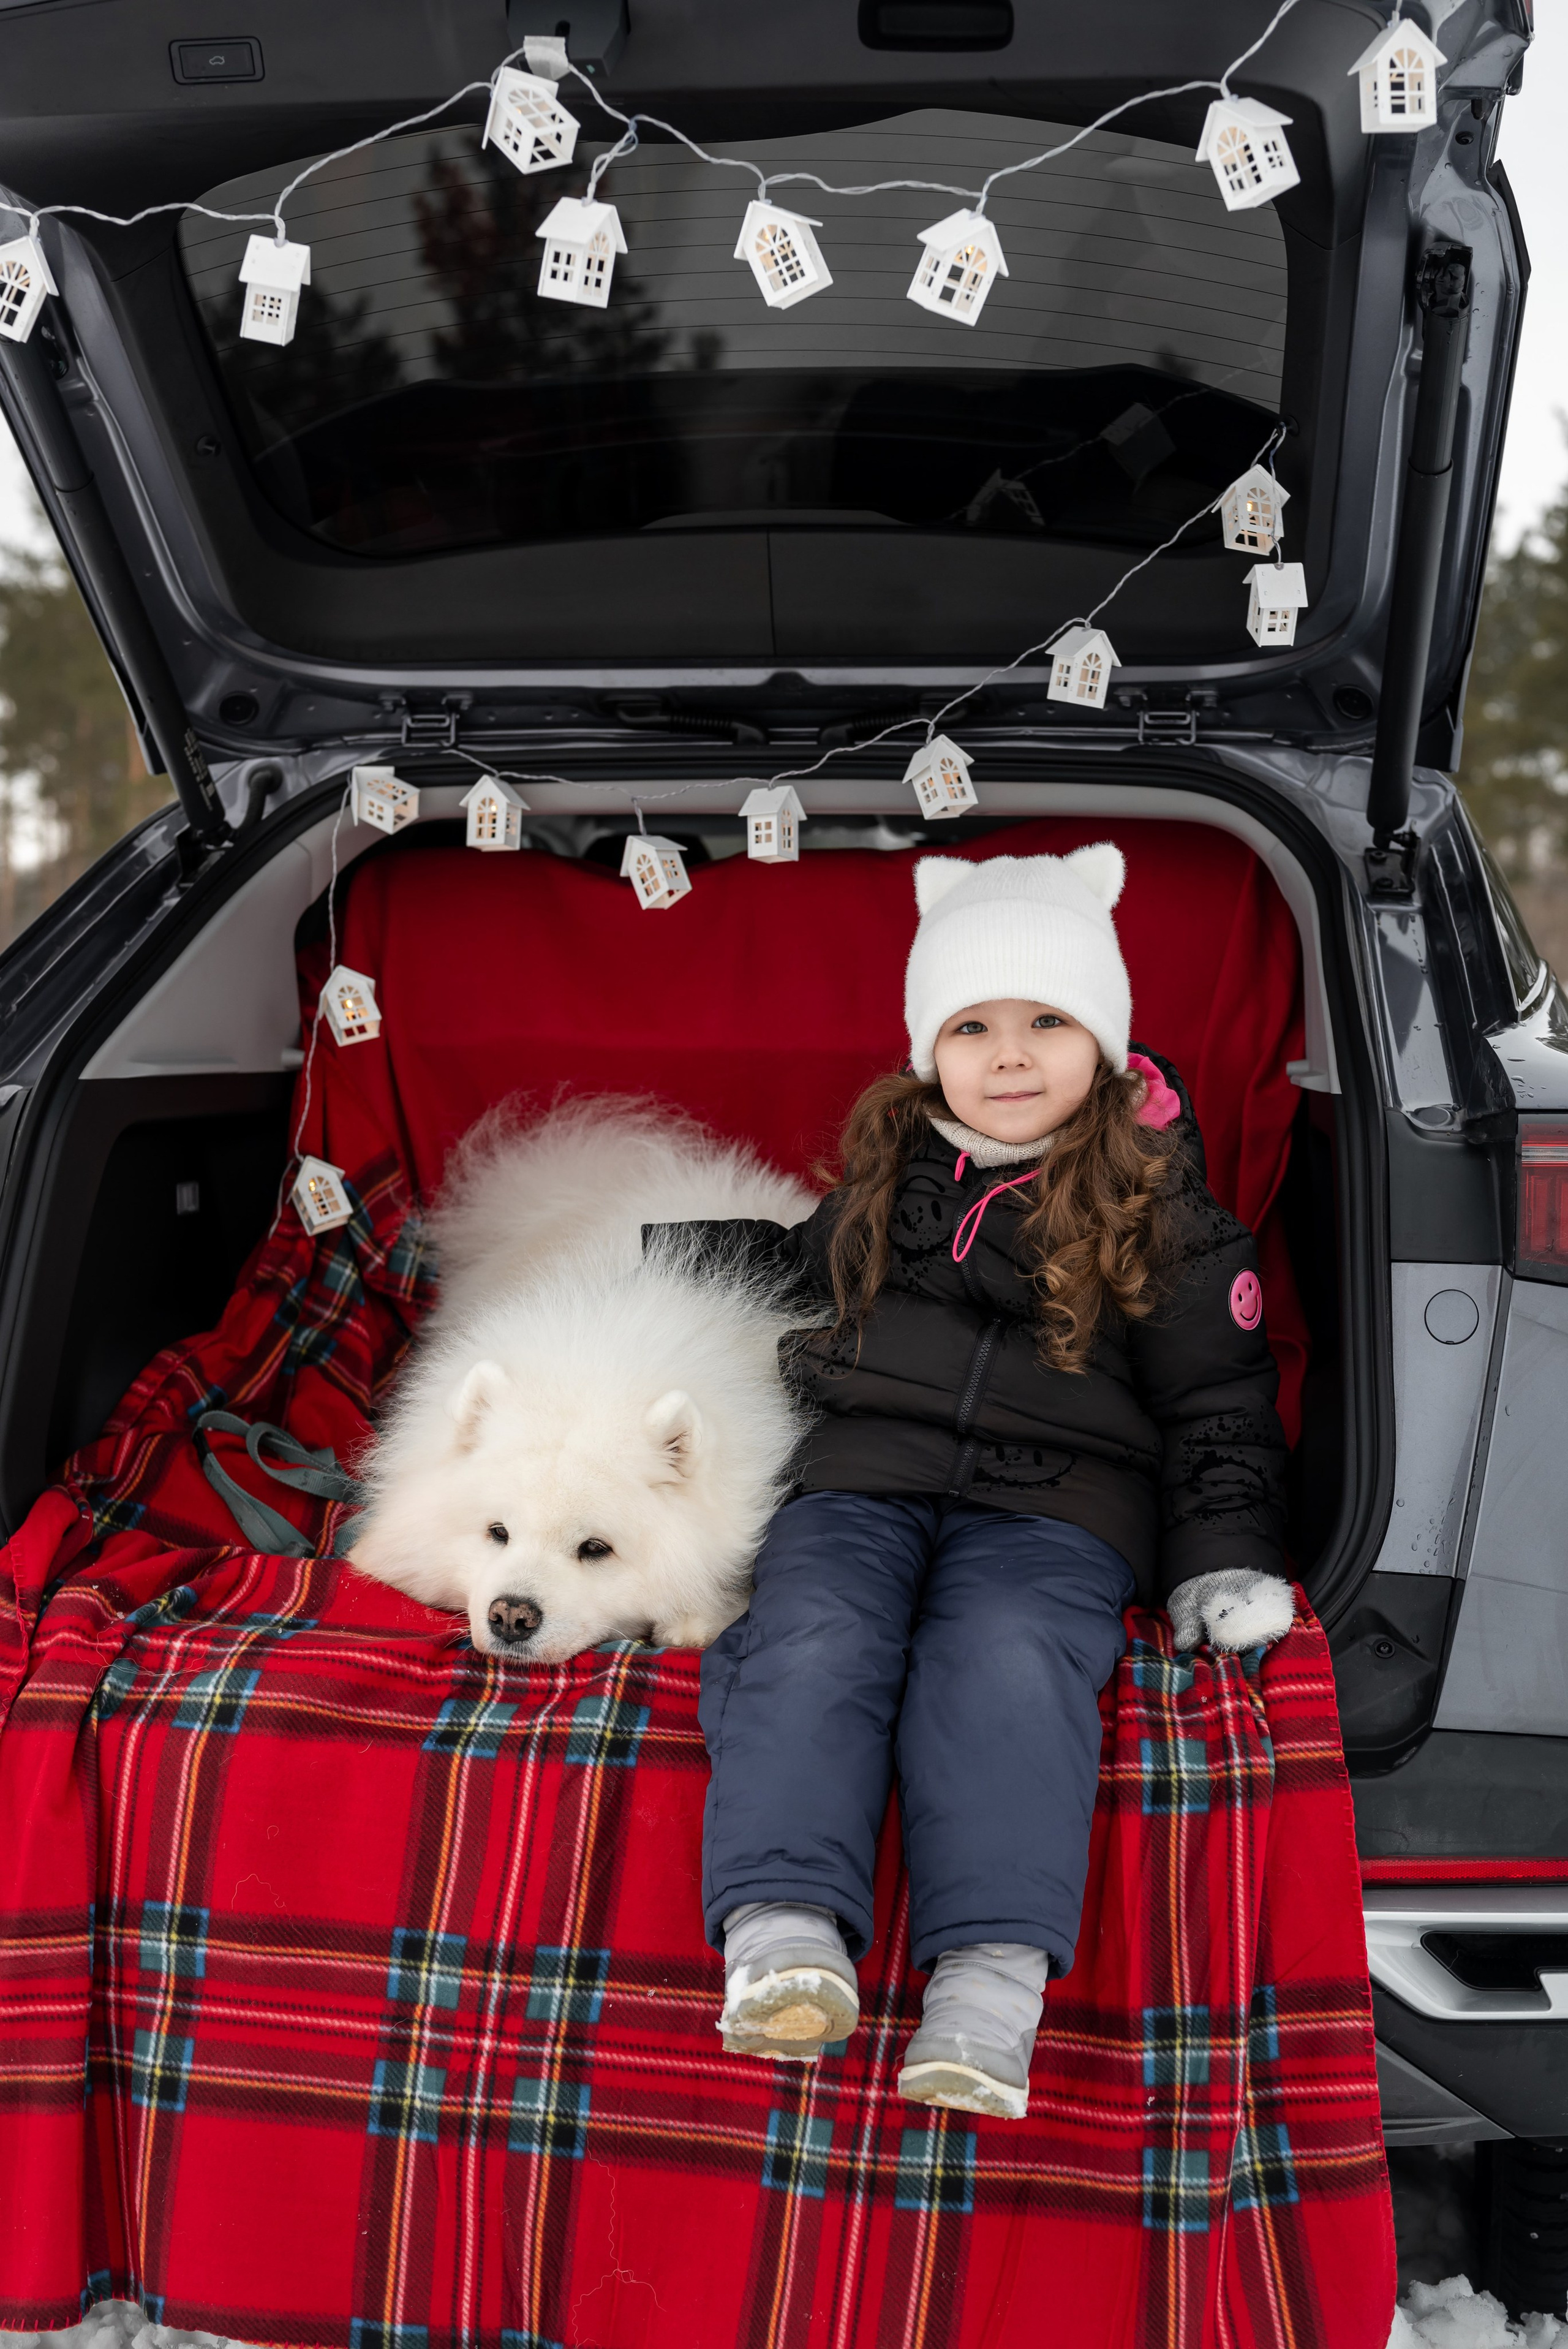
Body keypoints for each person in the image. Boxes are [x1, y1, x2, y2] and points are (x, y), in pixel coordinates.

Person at [652, 844, 1294, 2120]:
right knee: (811, 1631)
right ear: (925, 1051)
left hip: (1059, 1499)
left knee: (1000, 1657)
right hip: (858, 1473)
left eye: (1046, 1021)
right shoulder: (890, 1173)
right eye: (972, 1026)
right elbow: (782, 1268)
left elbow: (1218, 1402)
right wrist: (621, 1257)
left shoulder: (1164, 1209)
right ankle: (782, 1938)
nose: (1008, 1056)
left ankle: (986, 1993)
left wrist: (1221, 1557)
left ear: (1101, 1040)